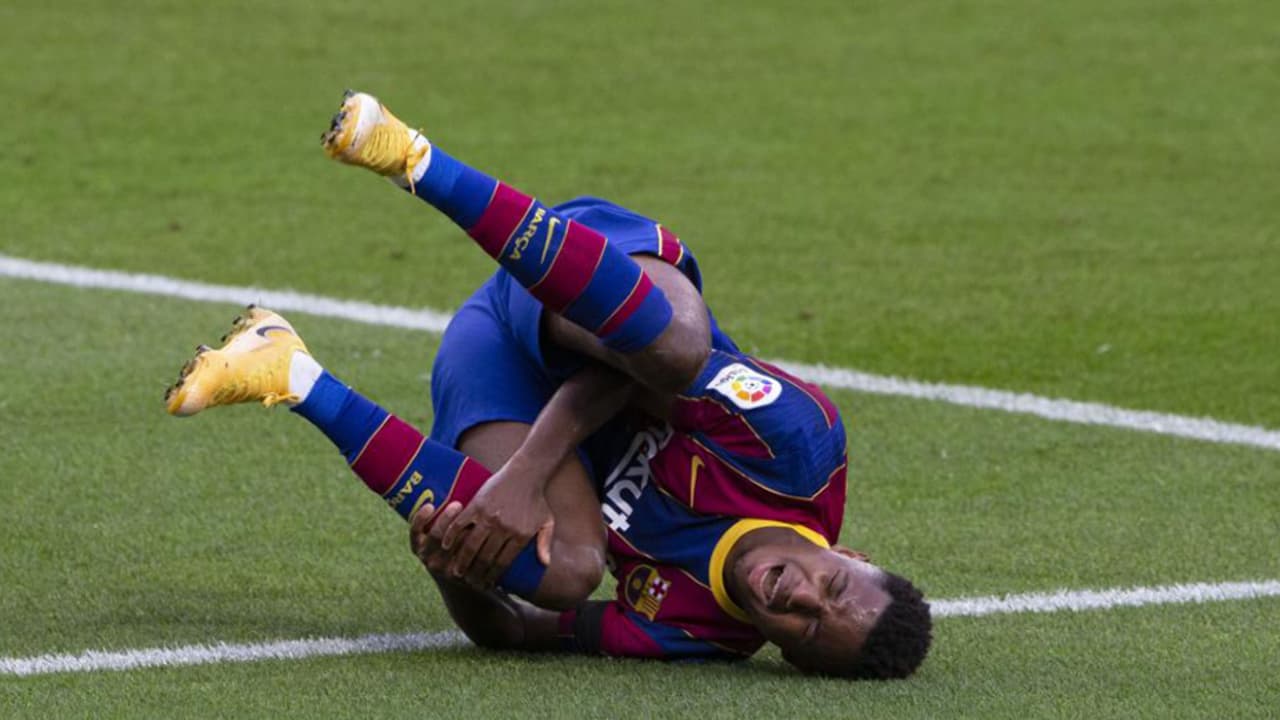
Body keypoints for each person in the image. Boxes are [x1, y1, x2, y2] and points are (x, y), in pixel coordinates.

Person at [163, 90, 931, 678]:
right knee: (677, 345)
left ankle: (288, 371)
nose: (799, 599)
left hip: (494, 366)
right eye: (833, 589)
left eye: (806, 629)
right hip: (587, 288)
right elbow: (632, 370)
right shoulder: (798, 447)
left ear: (783, 654)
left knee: (567, 573)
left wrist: (455, 568)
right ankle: (411, 158)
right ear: (849, 552)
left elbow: (514, 630)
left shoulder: (693, 633)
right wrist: (526, 474)